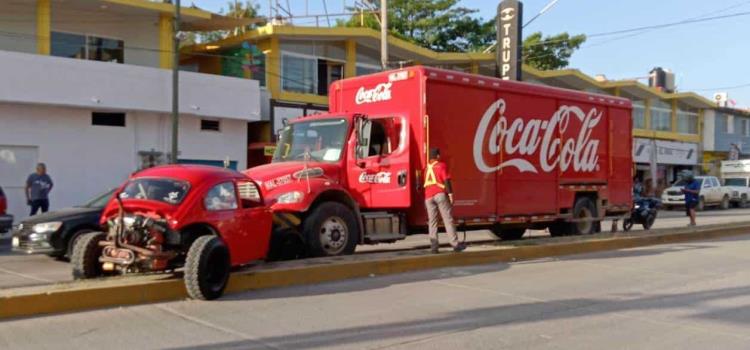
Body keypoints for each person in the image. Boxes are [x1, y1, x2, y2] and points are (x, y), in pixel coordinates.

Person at [424, 148, 466, 253]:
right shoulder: (441, 165)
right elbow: (446, 180)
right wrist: (451, 194)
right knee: (448, 220)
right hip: (439, 195)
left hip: (428, 197)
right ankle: (455, 245)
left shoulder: (426, 168)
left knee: (432, 222)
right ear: (437, 156)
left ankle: (434, 248)